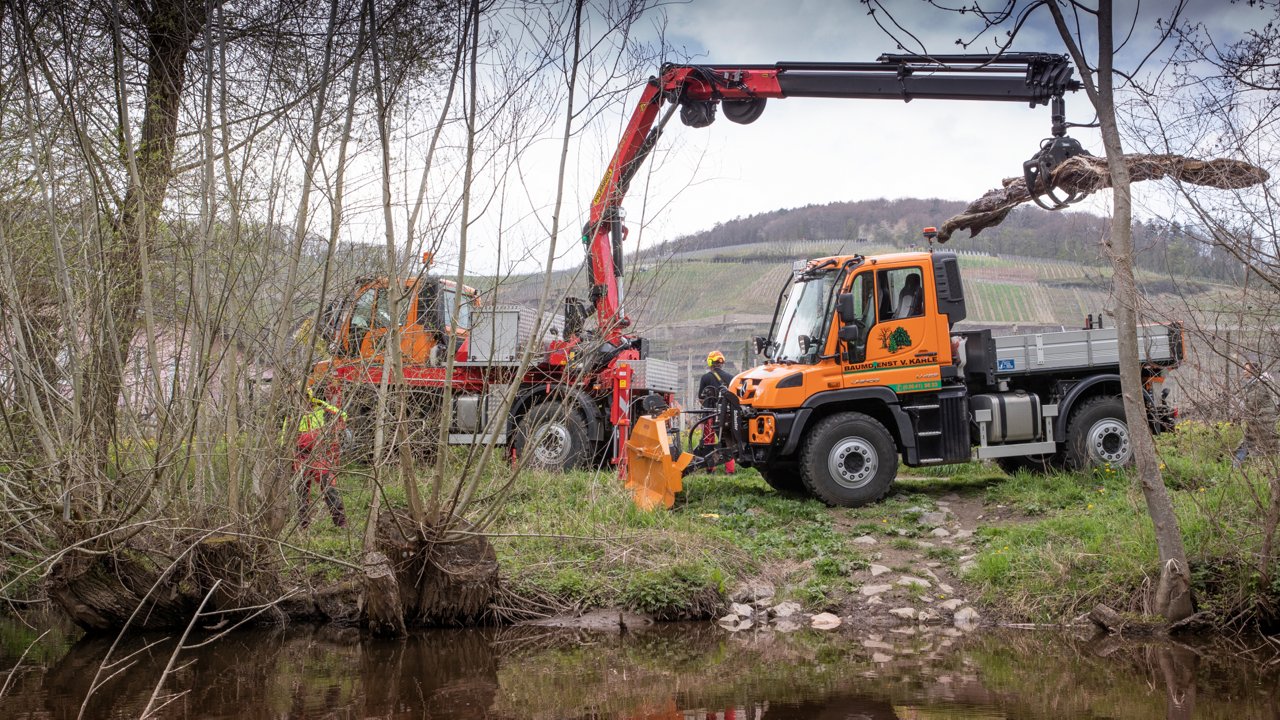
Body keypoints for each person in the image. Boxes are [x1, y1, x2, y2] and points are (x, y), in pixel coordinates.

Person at [286, 388, 349, 528]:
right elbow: (285, 437)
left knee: (329, 486)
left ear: (307, 395)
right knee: (301, 491)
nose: (298, 399)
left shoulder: (320, 407)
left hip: (319, 454)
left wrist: (332, 432)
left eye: (300, 395)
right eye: (294, 396)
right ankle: (303, 525)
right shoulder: (292, 414)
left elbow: (342, 415)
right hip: (300, 456)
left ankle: (341, 522)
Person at [696, 350, 735, 474]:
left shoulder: (706, 377)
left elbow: (701, 398)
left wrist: (708, 404)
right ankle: (730, 471)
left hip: (709, 415)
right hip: (726, 415)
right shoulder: (731, 378)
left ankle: (710, 468)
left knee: (709, 441)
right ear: (721, 363)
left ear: (710, 362)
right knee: (726, 442)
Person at [1235, 361, 1279, 466]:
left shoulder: (1261, 384)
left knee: (1257, 445)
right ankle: (1237, 467)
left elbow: (1252, 402)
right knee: (1263, 446)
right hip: (1259, 421)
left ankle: (1236, 467)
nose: (1243, 371)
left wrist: (1239, 405)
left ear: (1255, 371)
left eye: (1246, 369)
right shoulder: (1257, 383)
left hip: (1263, 421)